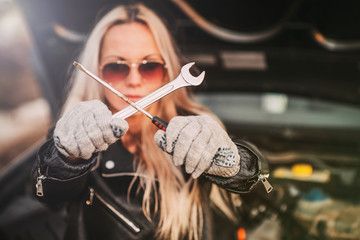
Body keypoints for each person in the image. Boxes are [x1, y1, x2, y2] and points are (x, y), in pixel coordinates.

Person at [33, 3, 271, 240]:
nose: (134, 80)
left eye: (150, 67)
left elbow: (259, 188)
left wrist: (234, 165)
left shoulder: (198, 131)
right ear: (97, 72)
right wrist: (67, 159)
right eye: (117, 67)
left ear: (168, 71)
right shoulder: (75, 138)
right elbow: (44, 194)